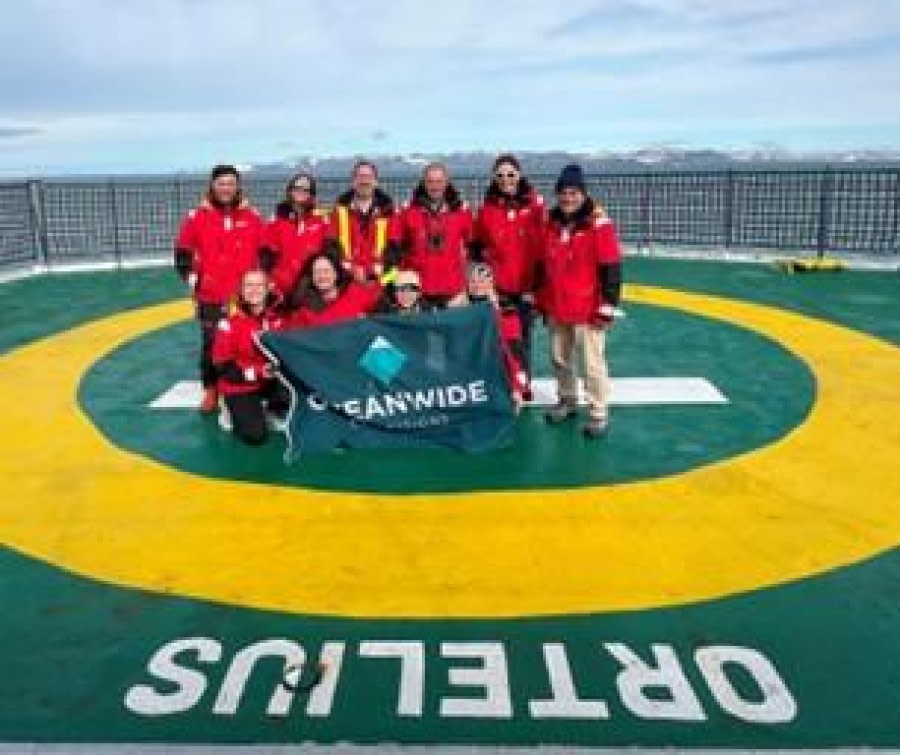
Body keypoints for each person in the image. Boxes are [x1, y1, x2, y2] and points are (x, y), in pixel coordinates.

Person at [536, 164, 622, 438]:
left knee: (592, 363)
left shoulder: (598, 223)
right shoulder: (551, 223)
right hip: (558, 304)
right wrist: (542, 300)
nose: (568, 198)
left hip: (587, 308)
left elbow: (611, 266)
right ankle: (567, 399)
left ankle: (598, 412)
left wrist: (607, 306)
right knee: (559, 358)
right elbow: (544, 264)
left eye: (573, 193)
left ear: (583, 194)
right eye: (563, 192)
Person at [174, 164, 266, 413]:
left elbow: (265, 252)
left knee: (249, 341)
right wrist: (196, 281)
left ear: (238, 187)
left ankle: (251, 385)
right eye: (221, 183)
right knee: (211, 344)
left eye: (231, 183)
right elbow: (183, 254)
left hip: (245, 296)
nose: (226, 188)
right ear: (212, 186)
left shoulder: (252, 217)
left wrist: (260, 284)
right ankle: (212, 389)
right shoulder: (196, 217)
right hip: (211, 296)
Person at [471, 153, 545, 390]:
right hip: (498, 288)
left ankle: (522, 385)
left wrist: (537, 287)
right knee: (497, 337)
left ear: (519, 175)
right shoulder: (487, 209)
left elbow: (544, 245)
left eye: (510, 174)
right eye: (500, 175)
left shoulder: (535, 206)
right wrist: (483, 279)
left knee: (523, 338)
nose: (506, 180)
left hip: (526, 287)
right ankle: (500, 384)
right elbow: (477, 245)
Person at [211, 269, 289, 445]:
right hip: (239, 384)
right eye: (249, 285)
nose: (254, 290)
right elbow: (223, 367)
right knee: (255, 436)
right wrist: (258, 372)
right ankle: (228, 410)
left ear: (268, 288)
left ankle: (273, 407)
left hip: (271, 379)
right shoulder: (228, 323)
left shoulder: (280, 317)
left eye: (259, 285)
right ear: (241, 290)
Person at [399, 162, 474, 309]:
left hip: (452, 290)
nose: (435, 186)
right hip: (418, 292)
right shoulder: (408, 211)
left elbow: (472, 246)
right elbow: (396, 249)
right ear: (424, 183)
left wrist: (467, 284)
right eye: (430, 181)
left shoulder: (462, 211)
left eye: (439, 181)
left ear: (446, 182)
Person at [457, 262, 529, 412]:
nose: (477, 285)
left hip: (495, 362)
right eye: (473, 281)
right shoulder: (460, 308)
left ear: (491, 282)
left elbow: (513, 352)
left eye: (482, 280)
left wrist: (517, 388)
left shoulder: (507, 310)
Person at [262, 172, 338, 298]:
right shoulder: (276, 220)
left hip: (311, 286)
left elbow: (331, 254)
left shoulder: (322, 220)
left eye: (305, 189)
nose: (300, 192)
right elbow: (266, 256)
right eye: (297, 188)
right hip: (280, 286)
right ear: (290, 191)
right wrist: (268, 280)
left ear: (311, 194)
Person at [331, 160, 403, 283]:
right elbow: (331, 247)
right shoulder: (338, 212)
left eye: (368, 176)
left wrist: (380, 271)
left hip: (380, 281)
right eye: (360, 176)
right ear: (353, 181)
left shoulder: (390, 213)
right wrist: (350, 270)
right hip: (346, 281)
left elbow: (395, 249)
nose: (364, 181)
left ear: (376, 181)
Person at [286, 252, 382, 329]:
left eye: (326, 271)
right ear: (312, 278)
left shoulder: (357, 294)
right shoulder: (304, 311)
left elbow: (383, 316)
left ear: (336, 274)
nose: (322, 276)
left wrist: (367, 322)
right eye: (317, 272)